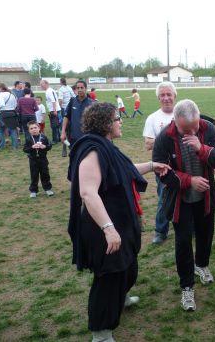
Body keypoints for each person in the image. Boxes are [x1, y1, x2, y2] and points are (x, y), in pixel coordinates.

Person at [68, 102, 169, 342]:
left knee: (128, 267)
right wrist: (108, 228)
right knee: (109, 277)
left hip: (121, 220)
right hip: (103, 226)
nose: (120, 121)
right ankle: (101, 333)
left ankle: (120, 298)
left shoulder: (106, 146)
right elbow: (88, 193)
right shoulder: (92, 150)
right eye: (116, 118)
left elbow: (123, 169)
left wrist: (152, 166)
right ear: (105, 123)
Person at [152, 99, 215, 311]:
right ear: (175, 122)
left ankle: (202, 265)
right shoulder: (164, 138)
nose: (193, 130)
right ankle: (186, 286)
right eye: (187, 129)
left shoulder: (208, 128)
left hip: (206, 198)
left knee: (205, 234)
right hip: (180, 201)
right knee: (183, 241)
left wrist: (202, 148)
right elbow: (162, 173)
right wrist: (189, 180)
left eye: (195, 126)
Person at [143, 82, 177, 245]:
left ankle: (189, 227)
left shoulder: (182, 113)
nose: (166, 98)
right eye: (162, 95)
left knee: (187, 196)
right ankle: (160, 231)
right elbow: (148, 143)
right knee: (164, 198)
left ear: (174, 96)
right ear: (158, 98)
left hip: (185, 164)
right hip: (162, 166)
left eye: (169, 94)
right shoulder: (153, 118)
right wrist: (170, 140)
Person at [23, 121, 54, 198]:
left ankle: (47, 189)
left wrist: (45, 147)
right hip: (33, 160)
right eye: (31, 128)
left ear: (39, 128)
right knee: (34, 175)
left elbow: (49, 146)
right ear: (29, 130)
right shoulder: (28, 139)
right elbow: (25, 149)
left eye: (35, 128)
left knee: (45, 174)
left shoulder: (44, 137)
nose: (34, 130)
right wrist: (32, 147)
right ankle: (33, 191)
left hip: (43, 160)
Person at [61, 80, 93, 147]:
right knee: (74, 156)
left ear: (86, 89)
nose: (80, 90)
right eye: (78, 88)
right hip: (74, 138)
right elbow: (66, 117)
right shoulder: (72, 101)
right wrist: (63, 131)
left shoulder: (92, 103)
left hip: (87, 138)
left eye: (82, 88)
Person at [0, 82, 19, 149]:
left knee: (1, 131)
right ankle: (15, 146)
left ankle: (2, 146)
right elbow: (15, 105)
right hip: (12, 113)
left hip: (3, 114)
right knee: (13, 130)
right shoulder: (12, 94)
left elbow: (2, 104)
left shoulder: (1, 94)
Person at [40, 79, 62, 144]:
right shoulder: (49, 90)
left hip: (54, 110)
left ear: (46, 84)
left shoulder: (49, 91)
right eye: (40, 84)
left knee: (54, 126)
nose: (41, 86)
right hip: (54, 110)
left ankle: (55, 140)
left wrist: (54, 110)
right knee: (56, 125)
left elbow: (53, 101)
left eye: (42, 84)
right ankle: (58, 138)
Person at [59, 78, 75, 156]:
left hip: (65, 109)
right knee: (70, 128)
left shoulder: (61, 89)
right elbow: (74, 97)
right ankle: (66, 148)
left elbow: (60, 100)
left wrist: (60, 107)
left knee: (65, 128)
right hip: (72, 109)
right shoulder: (69, 88)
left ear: (61, 82)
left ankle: (65, 149)